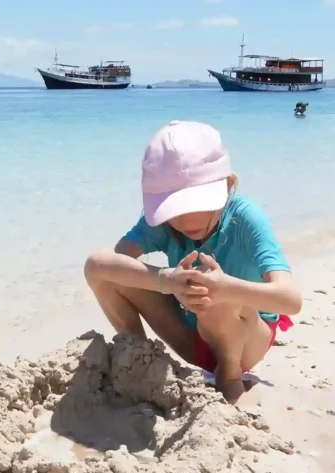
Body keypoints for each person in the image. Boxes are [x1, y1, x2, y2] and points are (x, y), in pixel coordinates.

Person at [83, 120, 302, 403]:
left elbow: (291, 300)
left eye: (197, 204)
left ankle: (230, 376)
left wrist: (228, 288)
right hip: (190, 337)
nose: (186, 220)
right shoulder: (165, 223)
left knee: (212, 291)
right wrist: (167, 280)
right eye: (175, 208)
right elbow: (111, 264)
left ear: (228, 185)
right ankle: (137, 358)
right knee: (98, 268)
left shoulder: (246, 217)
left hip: (246, 340)